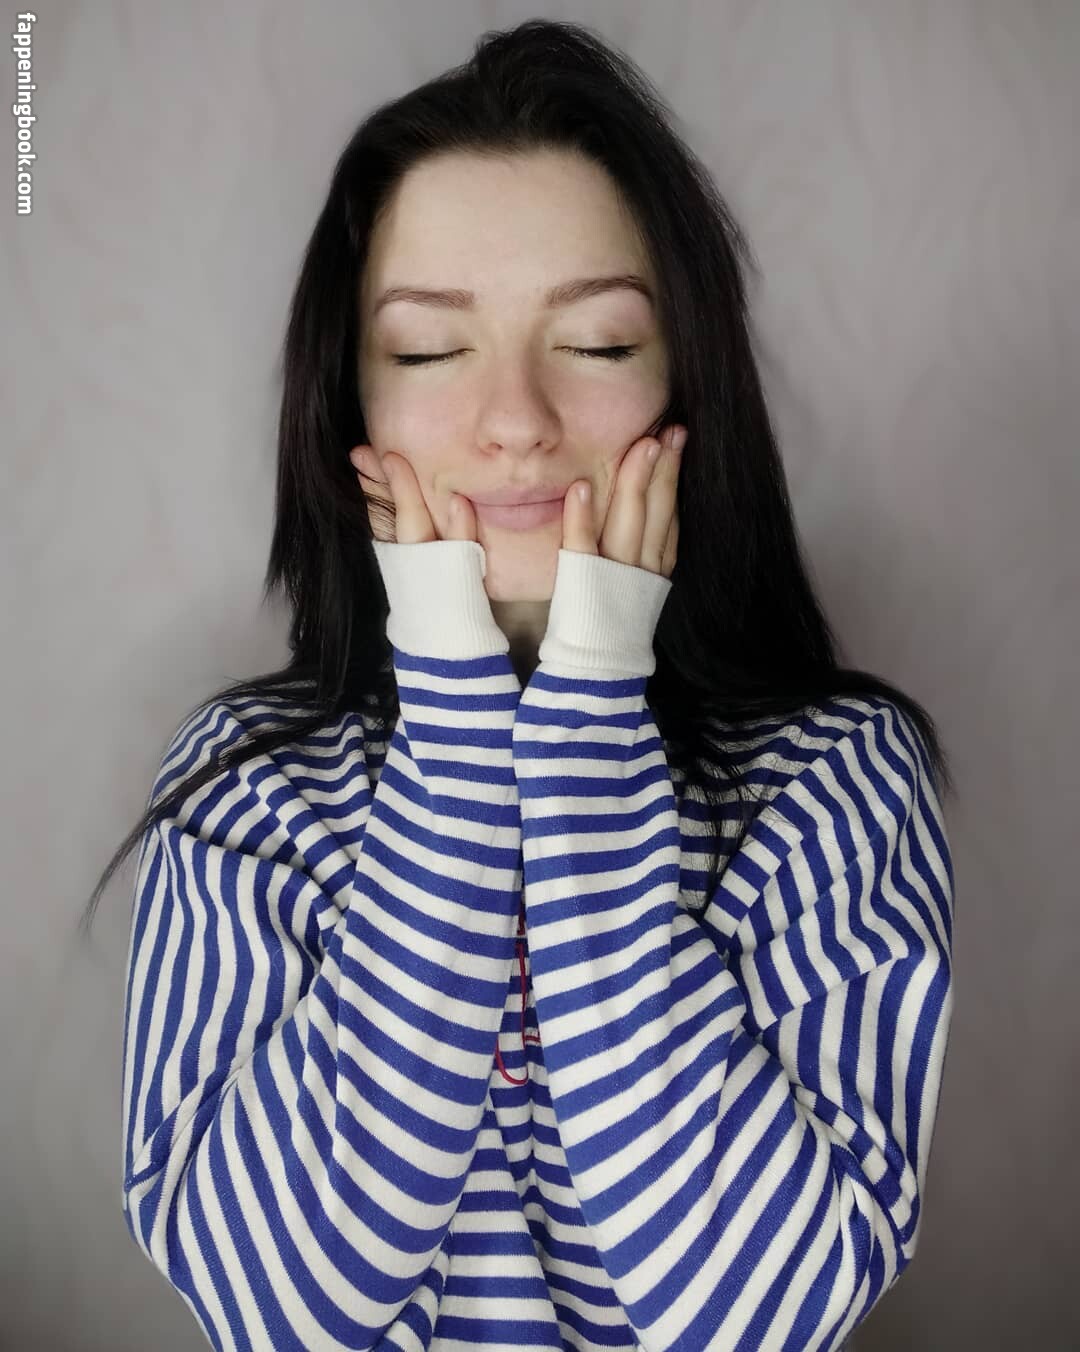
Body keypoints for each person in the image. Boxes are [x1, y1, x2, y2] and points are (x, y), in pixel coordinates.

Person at [87, 18, 956, 1351]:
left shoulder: (832, 781)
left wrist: (592, 705)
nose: (515, 422)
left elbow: (756, 1317)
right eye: (428, 352)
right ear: (351, 406)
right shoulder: (246, 792)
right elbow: (288, 1310)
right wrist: (453, 716)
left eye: (598, 344)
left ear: (689, 386)